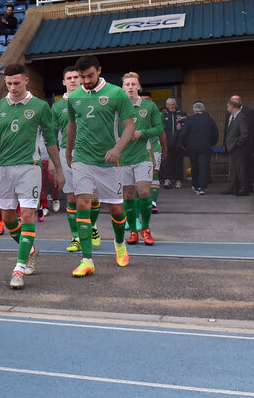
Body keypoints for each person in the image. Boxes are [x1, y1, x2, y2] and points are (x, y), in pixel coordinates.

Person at [0, 64, 63, 289]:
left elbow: (50, 139)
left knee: (29, 215)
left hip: (29, 168)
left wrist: (57, 168)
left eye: (16, 83)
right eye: (9, 83)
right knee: (9, 218)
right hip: (2, 169)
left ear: (26, 81)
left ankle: (19, 268)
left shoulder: (40, 106)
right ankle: (30, 249)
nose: (12, 87)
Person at [64, 55, 136, 278]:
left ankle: (119, 242)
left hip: (109, 161)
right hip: (83, 158)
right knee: (83, 203)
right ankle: (87, 260)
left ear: (99, 71)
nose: (85, 80)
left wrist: (117, 149)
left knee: (116, 209)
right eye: (82, 77)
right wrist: (68, 151)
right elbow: (72, 125)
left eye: (90, 76)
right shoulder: (74, 96)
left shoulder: (116, 93)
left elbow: (130, 125)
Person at [52, 66, 93, 253]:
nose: (73, 80)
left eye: (77, 77)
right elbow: (51, 134)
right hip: (65, 153)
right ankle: (76, 237)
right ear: (64, 82)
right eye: (69, 78)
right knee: (71, 196)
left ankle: (91, 228)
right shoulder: (57, 106)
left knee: (90, 196)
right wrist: (54, 163)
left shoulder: (91, 100)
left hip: (89, 152)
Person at [119, 73, 162, 246]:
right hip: (123, 159)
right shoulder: (117, 107)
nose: (130, 87)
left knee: (144, 192)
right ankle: (133, 232)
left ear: (139, 86)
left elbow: (159, 128)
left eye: (133, 84)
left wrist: (142, 133)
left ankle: (145, 228)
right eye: (127, 84)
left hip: (143, 157)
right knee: (128, 195)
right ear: (122, 88)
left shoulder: (149, 106)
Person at [177, 101, 217, 195]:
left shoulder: (189, 120)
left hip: (192, 148)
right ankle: (201, 187)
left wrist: (184, 145)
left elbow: (183, 134)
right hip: (205, 147)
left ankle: (195, 185)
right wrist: (211, 144)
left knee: (195, 166)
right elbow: (215, 135)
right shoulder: (210, 120)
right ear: (203, 110)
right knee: (203, 167)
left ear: (194, 110)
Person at [222, 96, 250, 196]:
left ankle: (243, 190)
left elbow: (245, 134)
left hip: (238, 149)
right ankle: (235, 188)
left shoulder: (241, 117)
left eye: (228, 106)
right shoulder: (235, 117)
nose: (227, 108)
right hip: (233, 148)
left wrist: (237, 144)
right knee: (234, 171)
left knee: (241, 170)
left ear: (233, 106)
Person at [161, 97, 187, 190]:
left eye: (173, 104)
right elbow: (162, 130)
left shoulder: (182, 114)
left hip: (179, 143)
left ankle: (178, 180)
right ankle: (167, 180)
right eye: (169, 105)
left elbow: (186, 127)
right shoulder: (164, 116)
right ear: (167, 106)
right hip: (167, 143)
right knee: (167, 162)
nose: (171, 106)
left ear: (175, 105)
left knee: (178, 162)